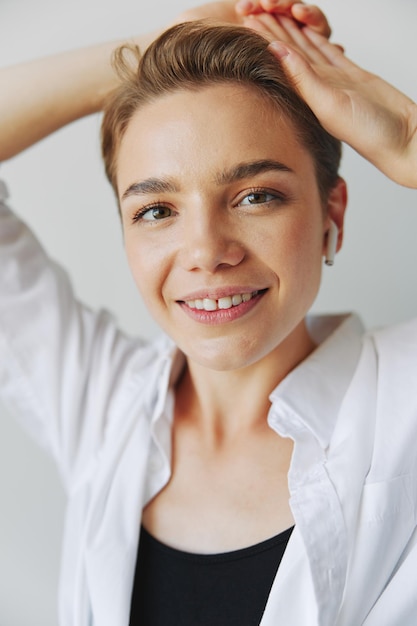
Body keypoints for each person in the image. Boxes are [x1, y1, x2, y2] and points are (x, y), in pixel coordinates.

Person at [0, 2, 416, 625]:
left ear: (333, 214)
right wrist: (149, 50)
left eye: (255, 196)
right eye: (156, 210)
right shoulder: (101, 401)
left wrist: (408, 139)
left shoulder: (403, 403)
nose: (205, 253)